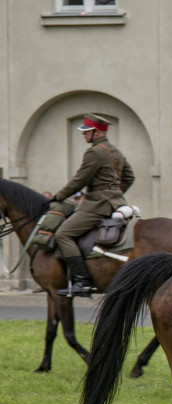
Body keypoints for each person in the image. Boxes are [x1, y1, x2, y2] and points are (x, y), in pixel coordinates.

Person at [52, 113, 134, 297]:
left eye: (86, 132)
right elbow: (129, 177)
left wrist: (59, 196)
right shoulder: (115, 151)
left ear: (96, 133)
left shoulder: (94, 152)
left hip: (97, 205)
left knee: (63, 234)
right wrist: (115, 193)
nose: (84, 136)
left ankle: (82, 282)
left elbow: (80, 180)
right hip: (116, 203)